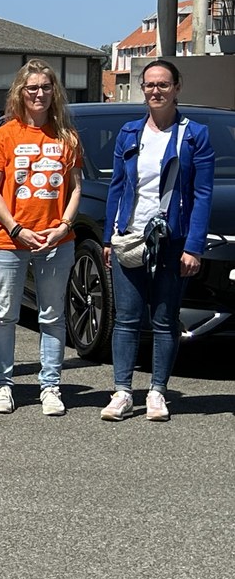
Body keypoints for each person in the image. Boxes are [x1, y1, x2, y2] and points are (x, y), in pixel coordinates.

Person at [101, 59, 214, 422]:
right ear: (142, 89)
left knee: (165, 319)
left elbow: (203, 194)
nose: (155, 91)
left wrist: (194, 247)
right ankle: (122, 392)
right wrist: (109, 238)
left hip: (172, 240)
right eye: (149, 84)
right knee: (126, 318)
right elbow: (117, 186)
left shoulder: (194, 135)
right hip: (131, 237)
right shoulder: (129, 133)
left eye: (163, 84)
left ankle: (157, 392)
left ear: (177, 87)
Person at [0, 60, 82, 416]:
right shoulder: (4, 135)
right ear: (20, 93)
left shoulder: (66, 136)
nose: (39, 93)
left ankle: (50, 386)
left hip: (56, 241)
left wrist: (64, 226)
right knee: (4, 314)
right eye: (32, 88)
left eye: (45, 87)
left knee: (52, 316)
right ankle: (2, 385)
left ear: (54, 91)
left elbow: (75, 188)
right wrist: (16, 228)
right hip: (10, 240)